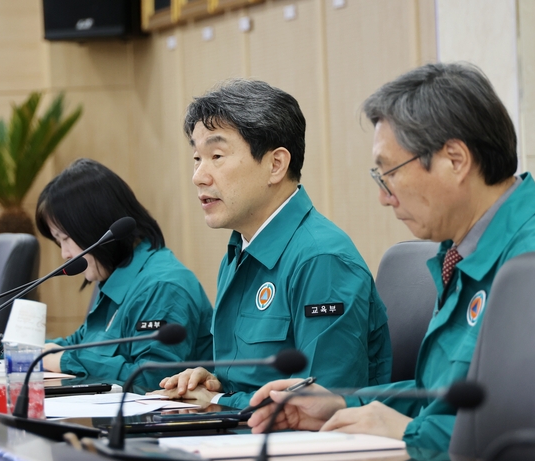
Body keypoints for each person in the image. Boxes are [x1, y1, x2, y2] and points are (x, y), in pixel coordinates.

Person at [246, 62, 535, 452]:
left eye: (389, 172)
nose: (384, 196)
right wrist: (344, 402)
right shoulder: (460, 249)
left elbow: (525, 432)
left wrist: (410, 433)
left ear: (455, 160)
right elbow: (439, 395)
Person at [155, 79, 392, 409]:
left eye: (216, 155)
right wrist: (210, 378)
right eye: (197, 158)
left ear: (276, 165)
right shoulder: (240, 249)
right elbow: (248, 378)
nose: (199, 175)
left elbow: (320, 405)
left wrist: (219, 400)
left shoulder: (320, 259)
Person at [0, 158, 213, 389]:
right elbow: (76, 344)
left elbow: (152, 380)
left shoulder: (163, 286)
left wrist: (63, 360)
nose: (65, 254)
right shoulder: (115, 278)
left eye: (66, 238)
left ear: (96, 227)